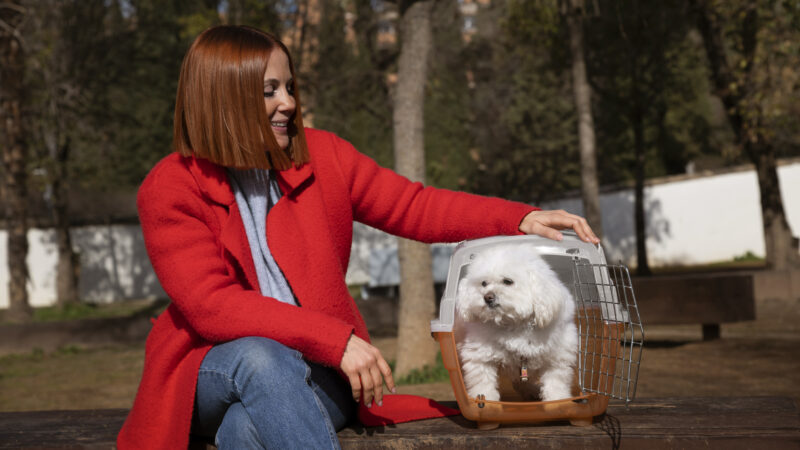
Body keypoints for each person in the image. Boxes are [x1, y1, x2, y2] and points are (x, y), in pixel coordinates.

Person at [117, 25, 599, 450]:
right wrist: (335, 340)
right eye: (268, 91)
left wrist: (519, 218)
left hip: (316, 372)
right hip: (211, 371)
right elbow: (212, 305)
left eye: (288, 86)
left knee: (246, 432)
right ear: (223, 98)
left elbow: (415, 205)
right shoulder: (171, 186)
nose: (288, 102)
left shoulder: (322, 155)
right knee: (261, 357)